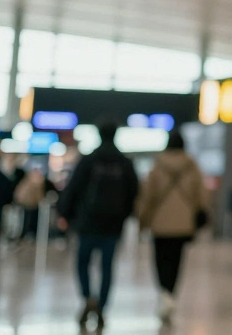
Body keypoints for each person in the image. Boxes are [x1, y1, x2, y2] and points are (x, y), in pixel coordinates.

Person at [58, 121, 140, 331]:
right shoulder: (124, 162)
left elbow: (74, 188)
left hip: (88, 222)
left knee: (82, 262)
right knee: (107, 267)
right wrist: (125, 215)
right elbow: (134, 193)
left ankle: (87, 297)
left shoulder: (89, 160)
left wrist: (64, 213)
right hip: (113, 225)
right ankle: (102, 306)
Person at [136, 130, 208, 323]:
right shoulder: (192, 167)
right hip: (183, 225)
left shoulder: (157, 166)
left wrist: (142, 222)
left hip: (160, 224)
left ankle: (164, 293)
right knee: (176, 261)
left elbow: (147, 197)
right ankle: (171, 294)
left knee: (160, 260)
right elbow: (202, 196)